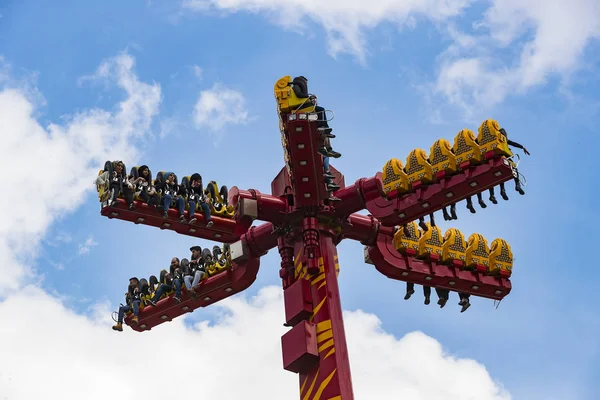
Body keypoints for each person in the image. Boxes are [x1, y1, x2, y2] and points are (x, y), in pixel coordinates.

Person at [488, 128, 530, 202]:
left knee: (498, 175)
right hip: (502, 157)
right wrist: (522, 147)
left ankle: (501, 191)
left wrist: (522, 147)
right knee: (514, 168)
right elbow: (512, 143)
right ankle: (517, 185)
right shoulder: (502, 139)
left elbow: (513, 143)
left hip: (491, 158)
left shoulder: (491, 140)